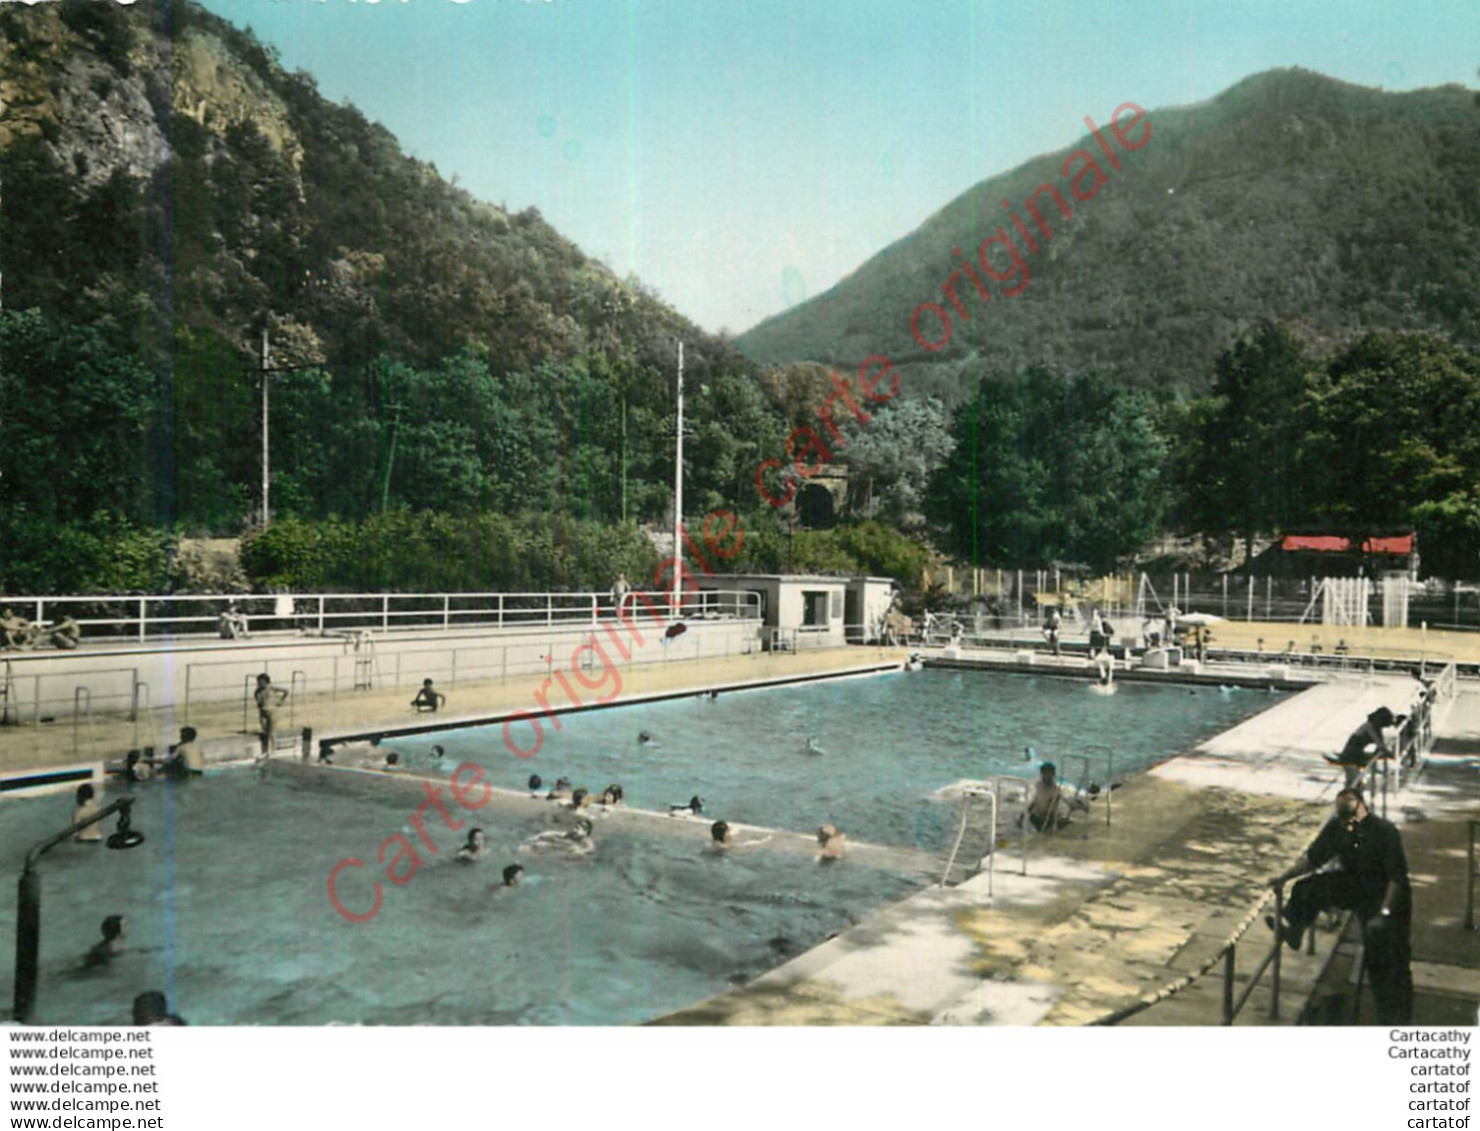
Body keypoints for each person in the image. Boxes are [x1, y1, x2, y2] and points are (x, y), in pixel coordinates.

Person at [1268, 788, 1412, 1024]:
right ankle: (1294, 929)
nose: (1347, 822)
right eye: (1342, 816)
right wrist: (1284, 877)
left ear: (1363, 807)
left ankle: (1395, 1021)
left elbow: (1396, 880)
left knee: (1386, 963)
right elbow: (1312, 860)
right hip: (1356, 884)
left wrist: (1382, 915)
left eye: (1350, 815)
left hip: (1386, 895)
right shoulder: (1337, 827)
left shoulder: (1385, 832)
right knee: (1307, 888)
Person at [1325, 707, 1400, 789]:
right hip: (1350, 756)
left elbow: (1380, 745)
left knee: (1353, 782)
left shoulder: (1375, 727)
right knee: (1355, 782)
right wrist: (1391, 755)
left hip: (1356, 754)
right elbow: (1380, 745)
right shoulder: (1370, 727)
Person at [1025, 762, 1086, 833]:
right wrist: (1023, 816)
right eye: (1045, 774)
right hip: (1035, 817)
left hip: (1048, 819)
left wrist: (1078, 805)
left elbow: (1068, 801)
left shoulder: (1056, 790)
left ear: (1053, 774)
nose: (1047, 776)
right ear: (1041, 774)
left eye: (1049, 774)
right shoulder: (1037, 785)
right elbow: (1034, 802)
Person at [253, 674, 288, 756]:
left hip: (273, 712)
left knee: (271, 732)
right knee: (264, 732)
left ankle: (272, 751)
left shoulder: (271, 688)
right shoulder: (258, 690)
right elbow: (256, 695)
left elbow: (286, 691)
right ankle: (264, 751)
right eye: (258, 682)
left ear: (265, 681)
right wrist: (258, 702)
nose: (259, 683)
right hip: (263, 712)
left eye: (260, 682)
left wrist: (281, 701)